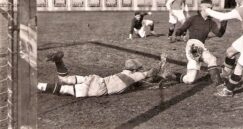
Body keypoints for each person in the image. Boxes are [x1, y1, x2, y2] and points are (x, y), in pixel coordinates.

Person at [37, 51, 167, 97]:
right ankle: (36, 86)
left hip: (97, 79)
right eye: (138, 69)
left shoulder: (125, 73)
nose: (140, 70)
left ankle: (59, 62)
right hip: (99, 87)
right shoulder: (133, 76)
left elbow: (145, 81)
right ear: (134, 70)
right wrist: (162, 63)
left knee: (65, 79)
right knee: (64, 89)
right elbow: (151, 73)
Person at [175, 0, 227, 87]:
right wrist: (178, 33)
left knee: (211, 60)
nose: (210, 9)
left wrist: (224, 24)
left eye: (211, 8)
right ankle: (174, 76)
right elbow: (182, 28)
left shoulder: (211, 22)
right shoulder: (193, 18)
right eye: (208, 7)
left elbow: (219, 34)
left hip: (201, 47)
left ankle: (218, 83)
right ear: (201, 8)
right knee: (191, 79)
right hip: (192, 46)